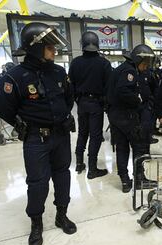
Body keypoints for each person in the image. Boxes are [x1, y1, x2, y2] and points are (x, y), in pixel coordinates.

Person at [0, 22, 77, 245]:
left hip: (60, 136)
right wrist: (26, 124)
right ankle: (36, 224)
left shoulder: (59, 72)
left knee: (63, 177)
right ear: (35, 47)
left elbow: (68, 98)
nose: (54, 50)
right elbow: (5, 109)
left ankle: (62, 215)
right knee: (38, 183)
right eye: (49, 46)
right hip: (35, 140)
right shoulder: (15, 77)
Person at [107, 44, 157, 193]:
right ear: (138, 59)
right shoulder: (130, 71)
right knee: (138, 147)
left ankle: (125, 181)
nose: (147, 66)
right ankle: (139, 179)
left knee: (121, 149)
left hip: (115, 116)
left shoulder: (121, 69)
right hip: (127, 117)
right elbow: (123, 91)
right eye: (145, 63)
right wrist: (139, 100)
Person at [68, 31, 112, 178]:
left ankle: (80, 163)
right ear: (97, 45)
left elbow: (71, 86)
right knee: (95, 136)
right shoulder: (104, 63)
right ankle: (92, 168)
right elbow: (108, 86)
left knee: (82, 133)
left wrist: (78, 100)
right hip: (96, 104)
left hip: (82, 103)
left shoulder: (75, 62)